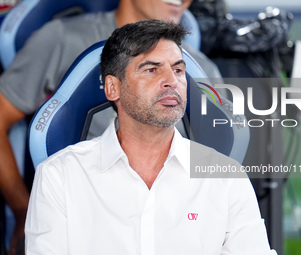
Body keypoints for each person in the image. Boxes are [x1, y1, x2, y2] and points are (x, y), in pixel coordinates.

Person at [25, 19, 276, 255]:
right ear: (113, 87)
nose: (171, 81)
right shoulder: (59, 176)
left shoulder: (225, 177)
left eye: (178, 70)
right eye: (151, 69)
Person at [0, 0, 222, 253]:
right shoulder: (62, 38)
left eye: (177, 70)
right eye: (150, 70)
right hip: (89, 222)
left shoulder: (206, 72)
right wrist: (23, 210)